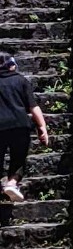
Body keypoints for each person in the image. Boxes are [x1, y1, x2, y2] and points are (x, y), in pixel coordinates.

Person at [0, 51, 46, 204]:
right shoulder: (21, 81)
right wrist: (42, 129)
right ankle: (12, 183)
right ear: (11, 66)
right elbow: (34, 108)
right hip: (20, 125)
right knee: (18, 158)